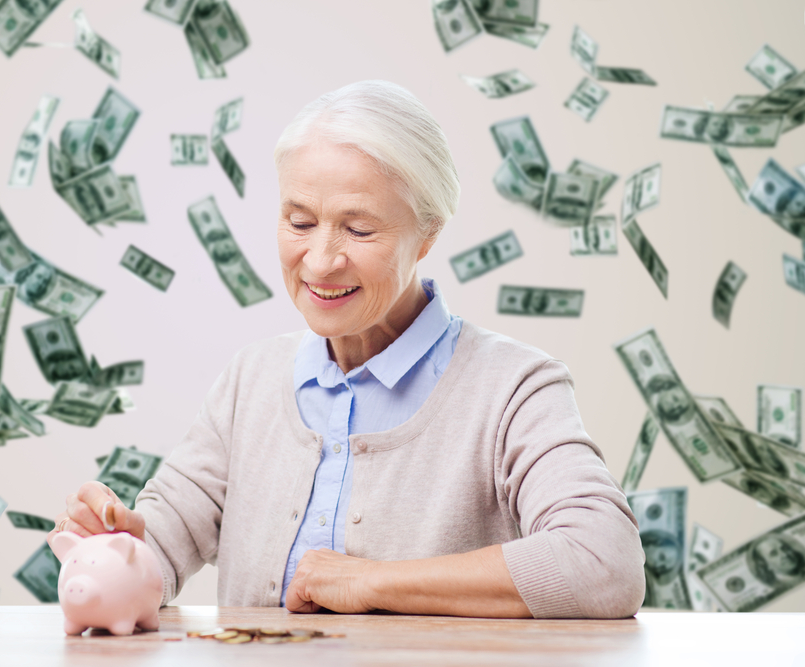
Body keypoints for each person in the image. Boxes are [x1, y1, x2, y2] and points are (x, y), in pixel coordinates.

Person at [50, 81, 645, 619]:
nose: (321, 259)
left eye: (359, 229)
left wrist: (374, 583)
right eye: (299, 221)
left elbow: (604, 561)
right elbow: (160, 548)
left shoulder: (514, 388)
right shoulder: (250, 380)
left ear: (428, 231)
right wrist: (118, 544)